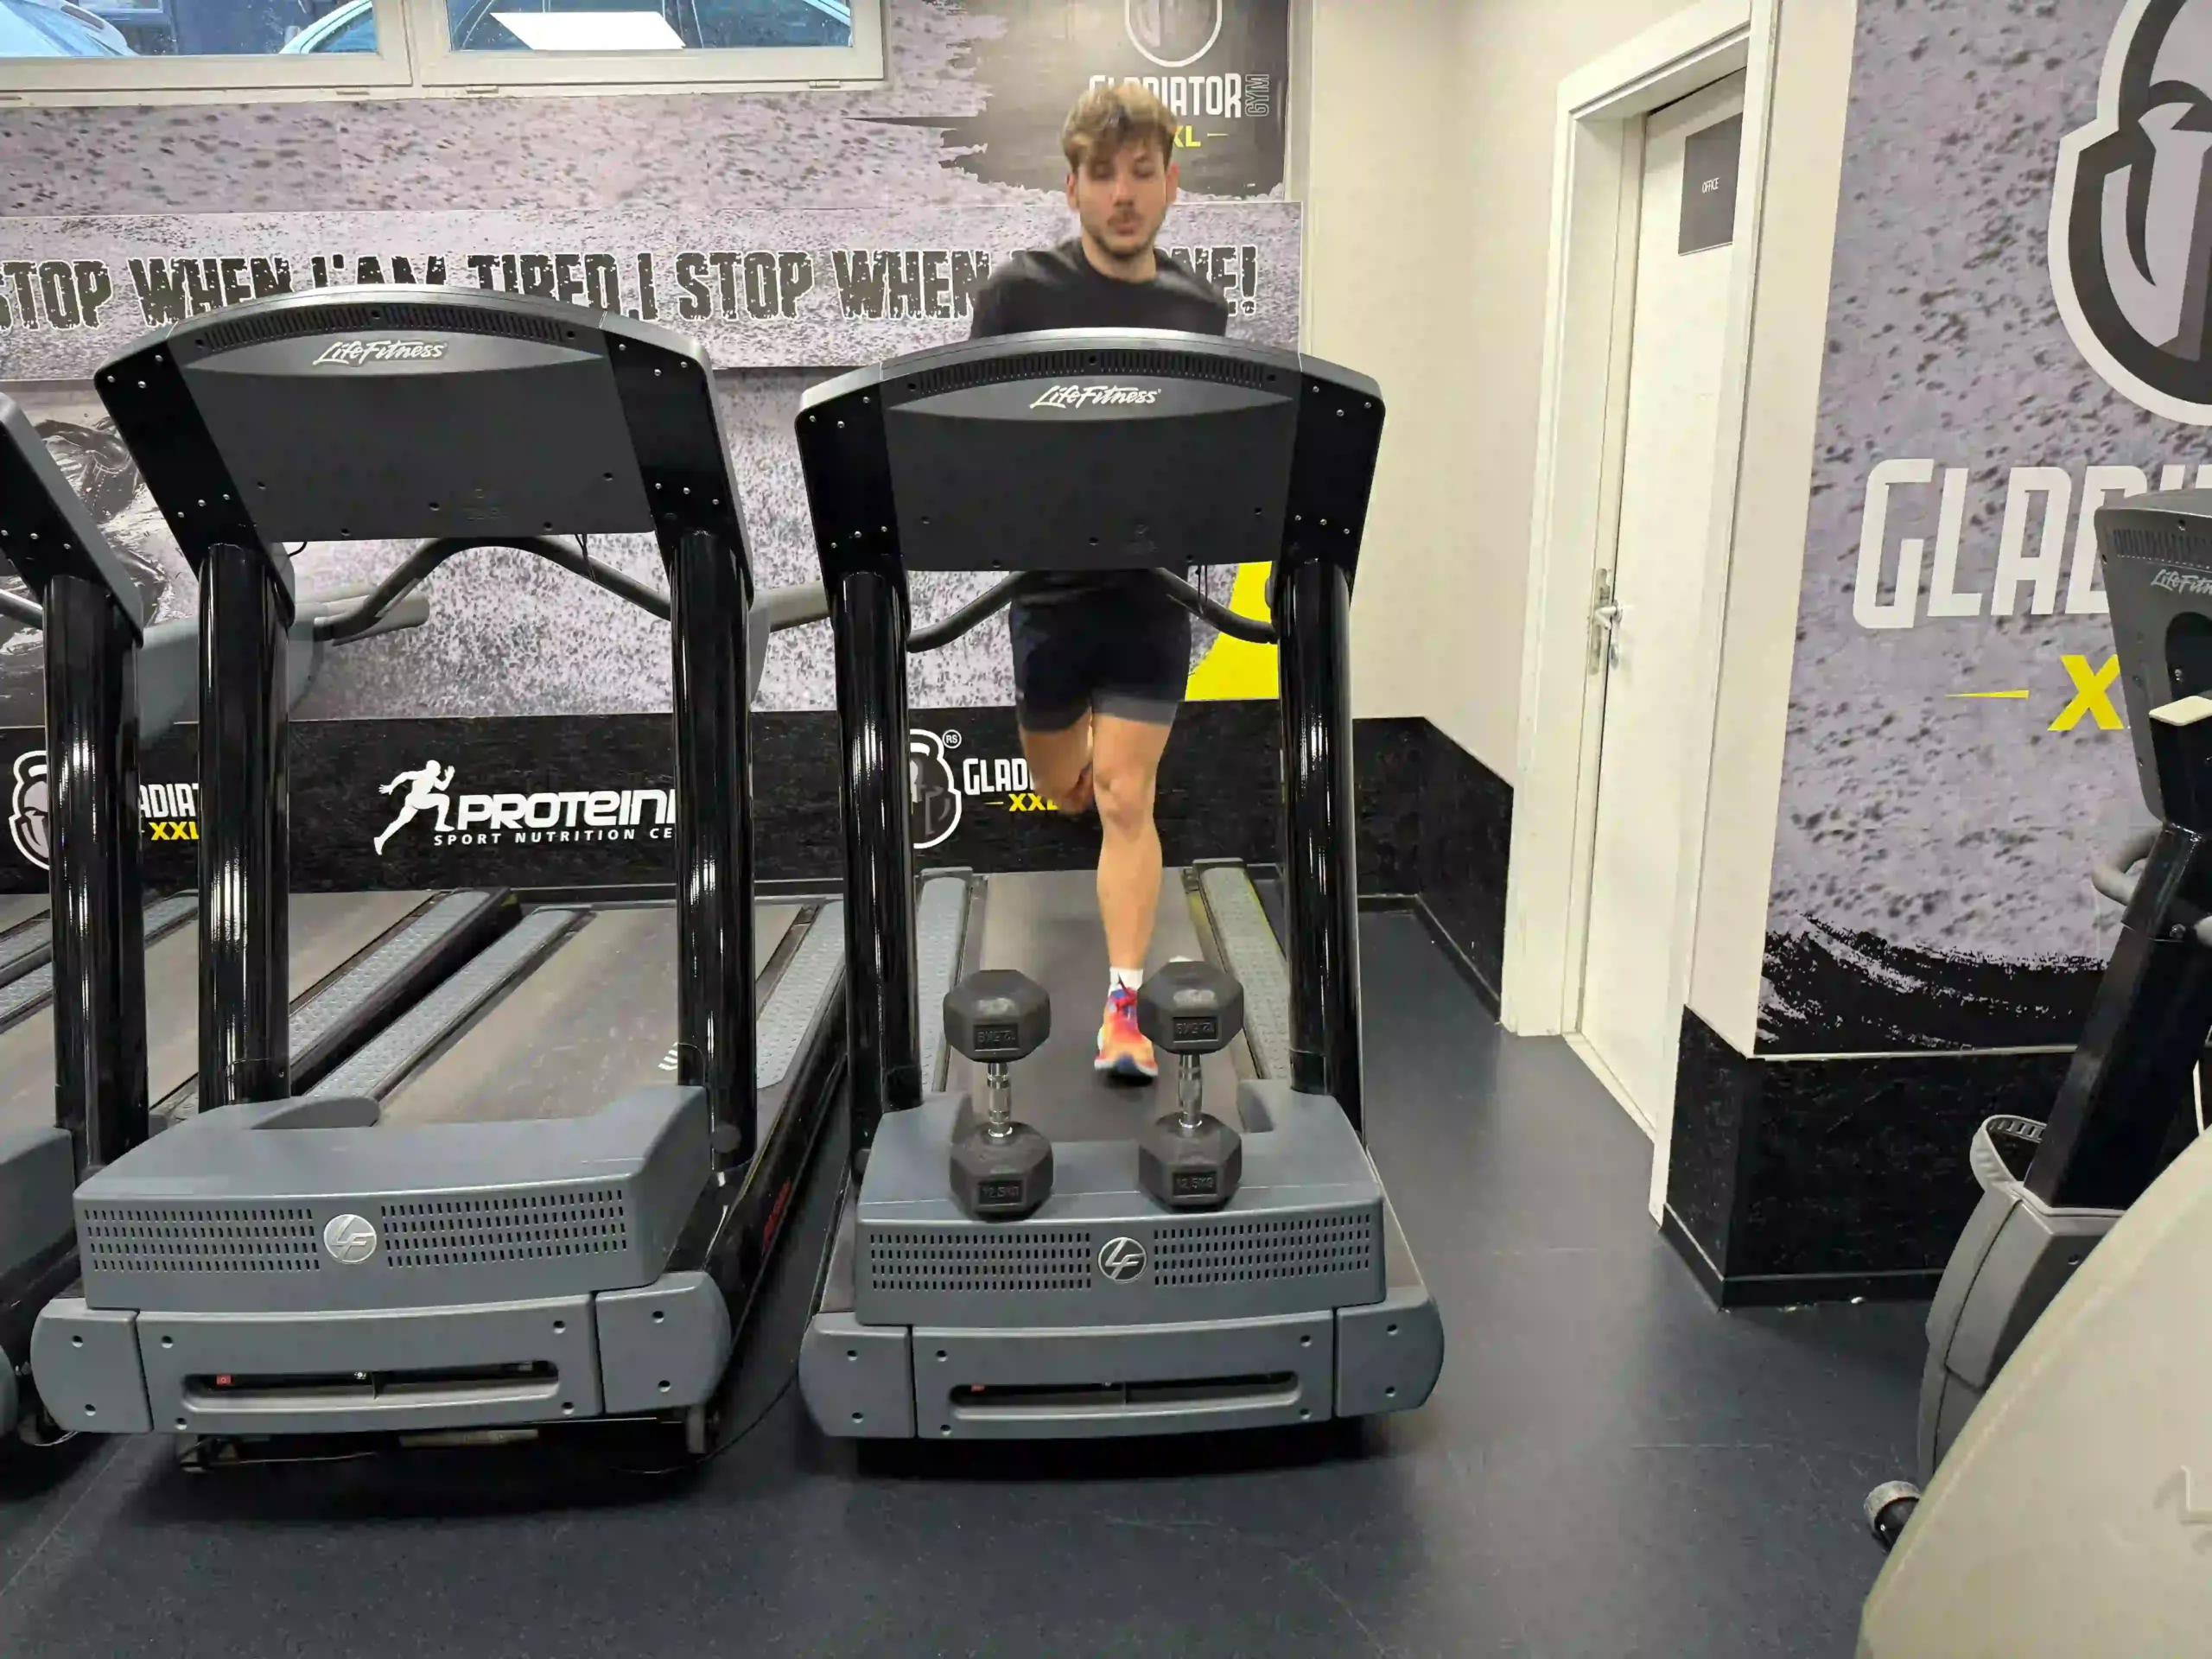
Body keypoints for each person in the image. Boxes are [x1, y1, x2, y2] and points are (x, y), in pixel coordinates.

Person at [968, 83, 1229, 1080]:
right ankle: (1070, 767)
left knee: (1124, 795)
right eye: (1104, 175)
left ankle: (1124, 1014)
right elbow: (973, 431)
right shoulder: (1018, 295)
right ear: (1072, 187)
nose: (1125, 194)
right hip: (1046, 592)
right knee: (1065, 790)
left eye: (1143, 172)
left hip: (1150, 592)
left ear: (1171, 182)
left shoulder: (1197, 310)